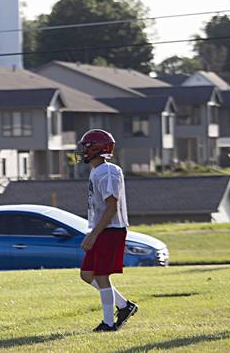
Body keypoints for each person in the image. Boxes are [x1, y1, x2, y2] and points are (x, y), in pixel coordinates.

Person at [76, 129, 138, 332]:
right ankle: (124, 305)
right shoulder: (97, 171)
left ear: (96, 148)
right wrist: (93, 230)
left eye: (86, 146)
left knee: (102, 275)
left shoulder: (107, 171)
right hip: (102, 228)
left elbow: (112, 206)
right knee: (87, 274)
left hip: (111, 229)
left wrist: (94, 234)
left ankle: (108, 323)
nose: (83, 150)